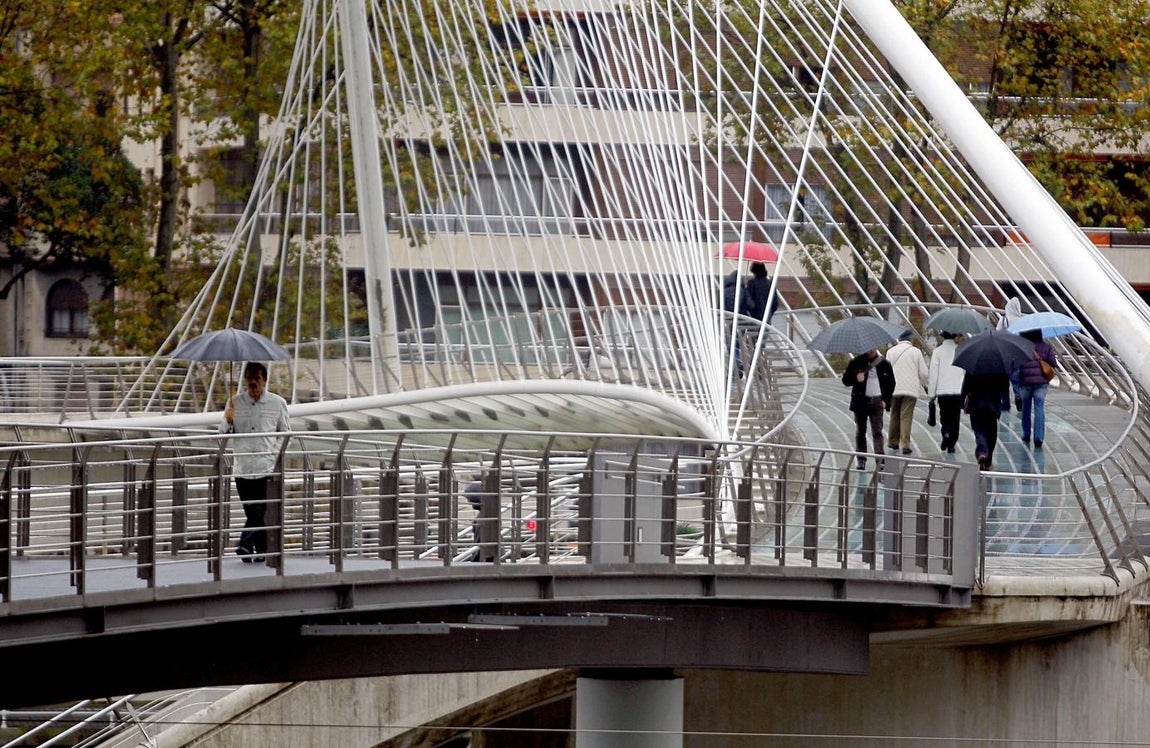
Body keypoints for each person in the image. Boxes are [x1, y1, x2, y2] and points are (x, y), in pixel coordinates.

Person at [221, 361, 291, 562]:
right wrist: (229, 419)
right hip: (242, 467)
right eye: (249, 378)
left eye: (257, 378)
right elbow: (223, 433)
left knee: (259, 510)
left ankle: (244, 544)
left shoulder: (278, 403)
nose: (253, 382)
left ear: (264, 380)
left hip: (266, 466)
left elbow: (285, 433)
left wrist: (273, 453)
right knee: (253, 511)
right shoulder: (234, 402)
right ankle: (261, 551)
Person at [842, 348, 895, 470]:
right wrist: (856, 378)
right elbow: (845, 381)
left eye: (872, 349)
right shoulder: (856, 362)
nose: (870, 351)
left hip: (877, 402)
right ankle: (861, 460)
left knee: (877, 431)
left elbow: (891, 383)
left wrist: (886, 401)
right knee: (860, 432)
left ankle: (880, 460)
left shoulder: (884, 364)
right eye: (867, 349)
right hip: (860, 401)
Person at [885, 329, 929, 455]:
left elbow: (886, 371)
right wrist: (924, 385)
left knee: (894, 414)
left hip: (894, 388)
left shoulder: (890, 352)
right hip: (910, 390)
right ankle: (905, 444)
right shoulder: (916, 352)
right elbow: (924, 373)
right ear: (910, 339)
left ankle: (893, 441)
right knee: (906, 416)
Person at [926, 331, 966, 454]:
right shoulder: (960, 350)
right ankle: (952, 444)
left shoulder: (938, 352)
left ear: (943, 337)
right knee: (955, 417)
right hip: (957, 390)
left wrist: (931, 394)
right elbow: (964, 371)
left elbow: (933, 374)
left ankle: (946, 432)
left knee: (945, 415)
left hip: (943, 390)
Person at [962, 371, 1010, 471]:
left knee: (979, 430)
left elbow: (966, 386)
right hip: (992, 405)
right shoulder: (999, 368)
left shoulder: (974, 367)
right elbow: (1005, 386)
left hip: (976, 404)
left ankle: (982, 452)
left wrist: (963, 399)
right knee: (992, 434)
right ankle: (988, 461)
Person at [1017, 329, 1056, 448]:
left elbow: (1017, 364)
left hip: (1025, 382)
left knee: (1026, 408)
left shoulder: (1022, 347)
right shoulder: (1046, 347)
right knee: (1039, 408)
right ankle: (1038, 438)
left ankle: (1026, 434)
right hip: (1041, 382)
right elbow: (1053, 363)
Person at [997, 297, 1024, 411]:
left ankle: (1005, 403)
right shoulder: (1022, 321)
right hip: (1018, 353)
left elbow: (997, 334)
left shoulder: (1004, 320)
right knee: (1016, 378)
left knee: (1003, 380)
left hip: (1005, 353)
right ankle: (1018, 396)